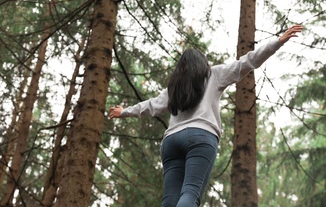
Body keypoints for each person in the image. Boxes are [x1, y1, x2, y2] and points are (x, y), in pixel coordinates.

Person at [109, 25, 303, 207]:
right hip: (200, 137)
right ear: (203, 63)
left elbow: (150, 106)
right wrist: (277, 42)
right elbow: (247, 61)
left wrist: (124, 111)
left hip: (171, 141)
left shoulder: (173, 87)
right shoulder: (213, 74)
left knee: (170, 199)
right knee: (190, 193)